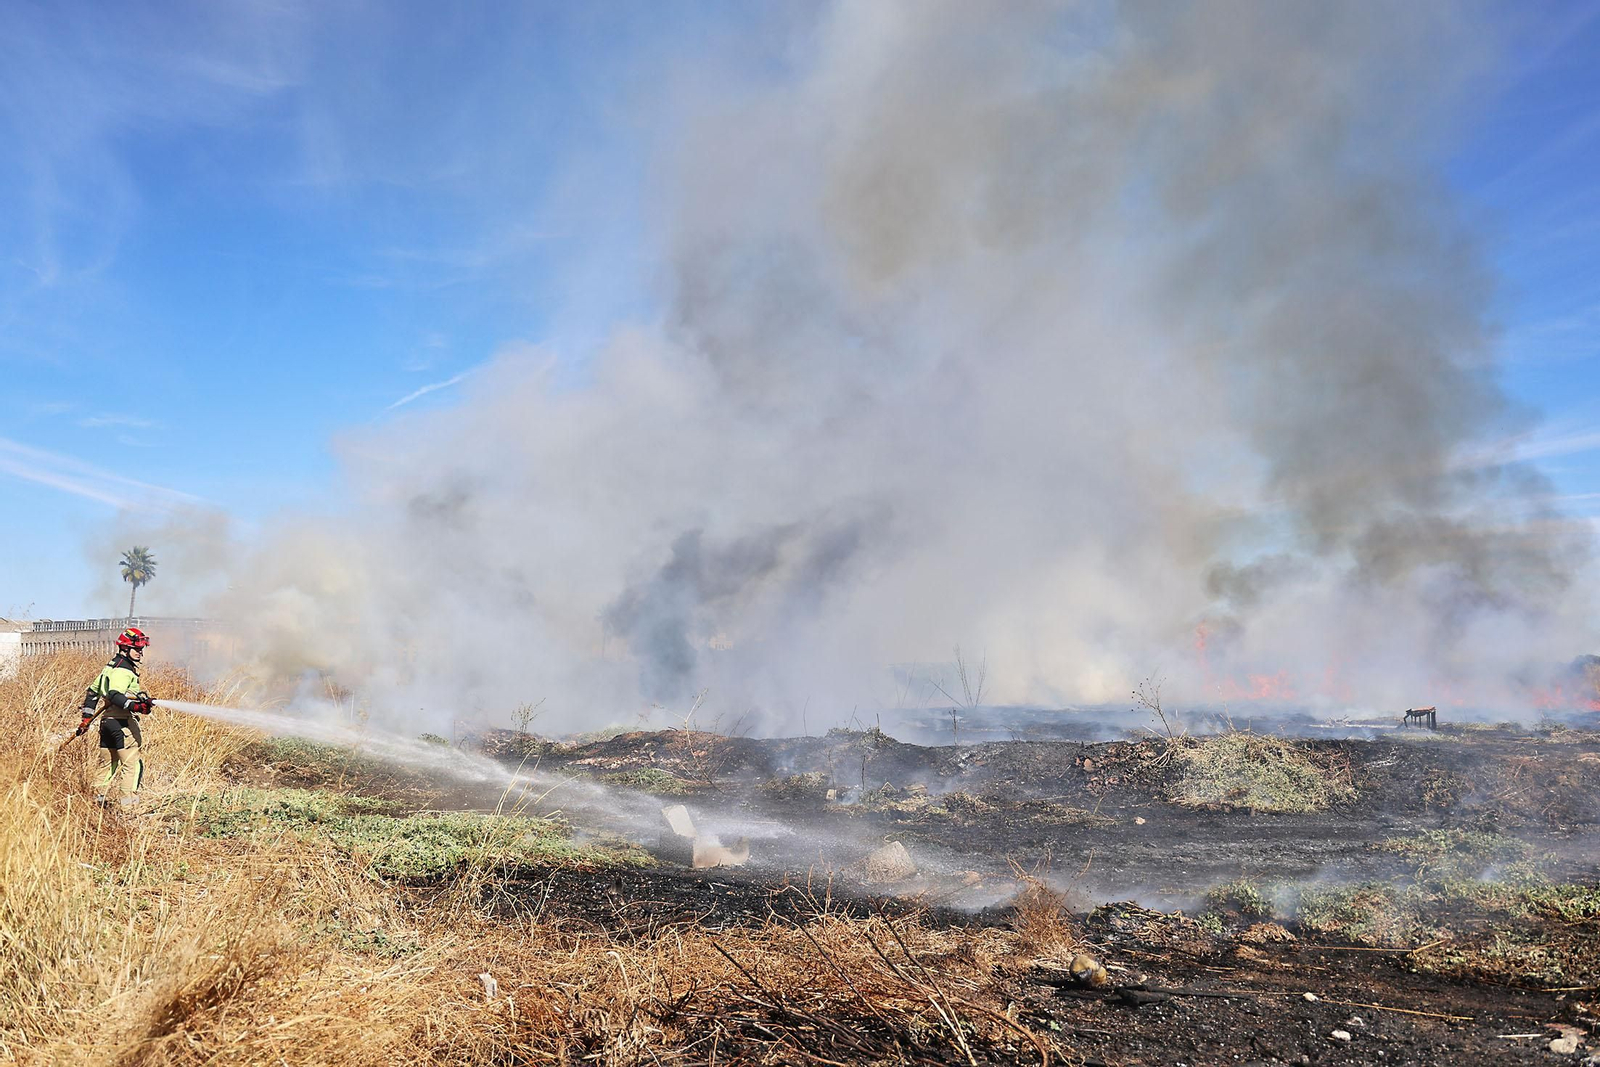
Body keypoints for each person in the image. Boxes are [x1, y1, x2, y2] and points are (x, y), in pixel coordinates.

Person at [74, 627, 155, 805]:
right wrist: (135, 706)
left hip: (106, 723)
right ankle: (129, 807)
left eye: (142, 649)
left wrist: (86, 719)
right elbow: (115, 695)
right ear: (125, 648)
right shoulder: (123, 670)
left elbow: (92, 693)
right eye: (137, 649)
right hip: (122, 722)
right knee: (132, 764)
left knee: (107, 764)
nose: (140, 653)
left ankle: (96, 803)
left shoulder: (110, 667)